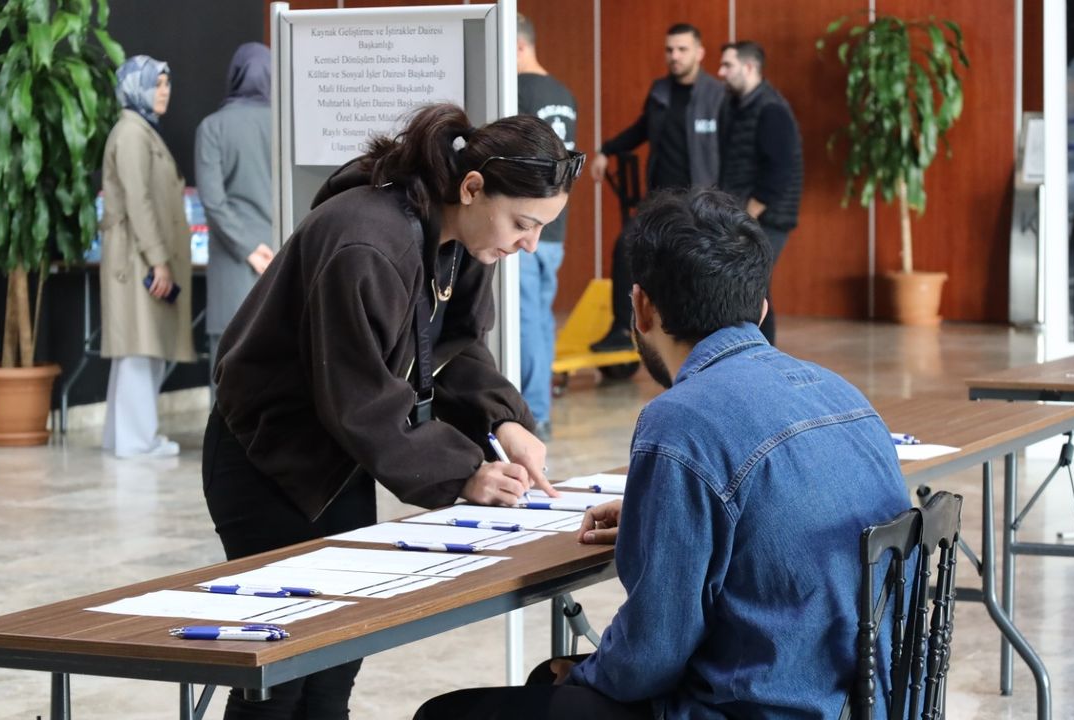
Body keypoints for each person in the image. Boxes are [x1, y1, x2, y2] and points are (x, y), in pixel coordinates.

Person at [414, 189, 912, 720]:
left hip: (755, 707)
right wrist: (658, 519)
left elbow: (652, 654)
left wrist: (588, 673)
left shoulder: (681, 419)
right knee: (554, 682)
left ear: (642, 306)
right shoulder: (842, 393)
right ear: (761, 308)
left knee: (447, 714)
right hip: (864, 703)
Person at [202, 103, 583, 719]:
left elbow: (453, 346)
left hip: (339, 457)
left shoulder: (460, 241)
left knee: (334, 668)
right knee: (280, 672)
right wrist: (465, 471)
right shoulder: (366, 240)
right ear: (472, 187)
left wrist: (501, 418)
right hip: (266, 461)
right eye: (522, 223)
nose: (529, 244)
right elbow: (358, 397)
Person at [588, 23, 723, 352]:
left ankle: (706, 333)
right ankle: (623, 330)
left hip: (700, 201)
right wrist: (606, 150)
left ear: (699, 53)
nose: (674, 56)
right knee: (625, 248)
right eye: (670, 50)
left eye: (682, 49)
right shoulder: (660, 91)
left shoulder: (717, 95)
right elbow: (640, 130)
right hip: (661, 201)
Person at [99, 55, 194, 458]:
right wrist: (158, 259)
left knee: (138, 348)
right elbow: (139, 201)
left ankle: (123, 439)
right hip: (136, 260)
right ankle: (136, 443)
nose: (164, 92)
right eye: (157, 84)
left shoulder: (138, 131)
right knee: (140, 349)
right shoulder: (133, 134)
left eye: (167, 84)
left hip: (137, 257)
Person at [195, 42, 277, 376]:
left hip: (234, 264)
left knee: (227, 367)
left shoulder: (212, 128)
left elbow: (213, 201)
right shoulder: (287, 126)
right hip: (282, 255)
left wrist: (247, 249)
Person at [515, 13, 577, 440]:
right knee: (539, 319)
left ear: (517, 46)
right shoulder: (564, 94)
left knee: (522, 320)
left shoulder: (516, 90)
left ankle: (528, 414)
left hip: (524, 224)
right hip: (556, 227)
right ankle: (540, 410)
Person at [717, 41, 803, 346]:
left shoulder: (771, 109)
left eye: (728, 65)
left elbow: (779, 170)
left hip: (769, 216)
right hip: (743, 212)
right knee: (748, 284)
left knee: (751, 284)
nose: (720, 72)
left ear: (749, 67)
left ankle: (764, 357)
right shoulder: (734, 106)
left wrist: (748, 213)